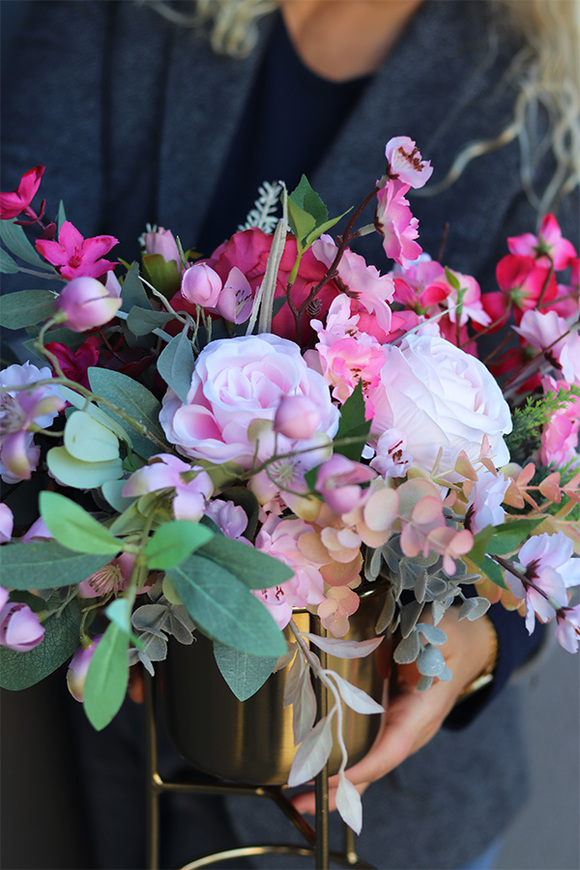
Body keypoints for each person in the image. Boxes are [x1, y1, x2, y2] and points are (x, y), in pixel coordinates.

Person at [1, 2, 578, 868]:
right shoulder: (126, 18)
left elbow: (559, 435)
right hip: (144, 759)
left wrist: (482, 642)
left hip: (400, 813)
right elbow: (21, 293)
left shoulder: (539, 91)